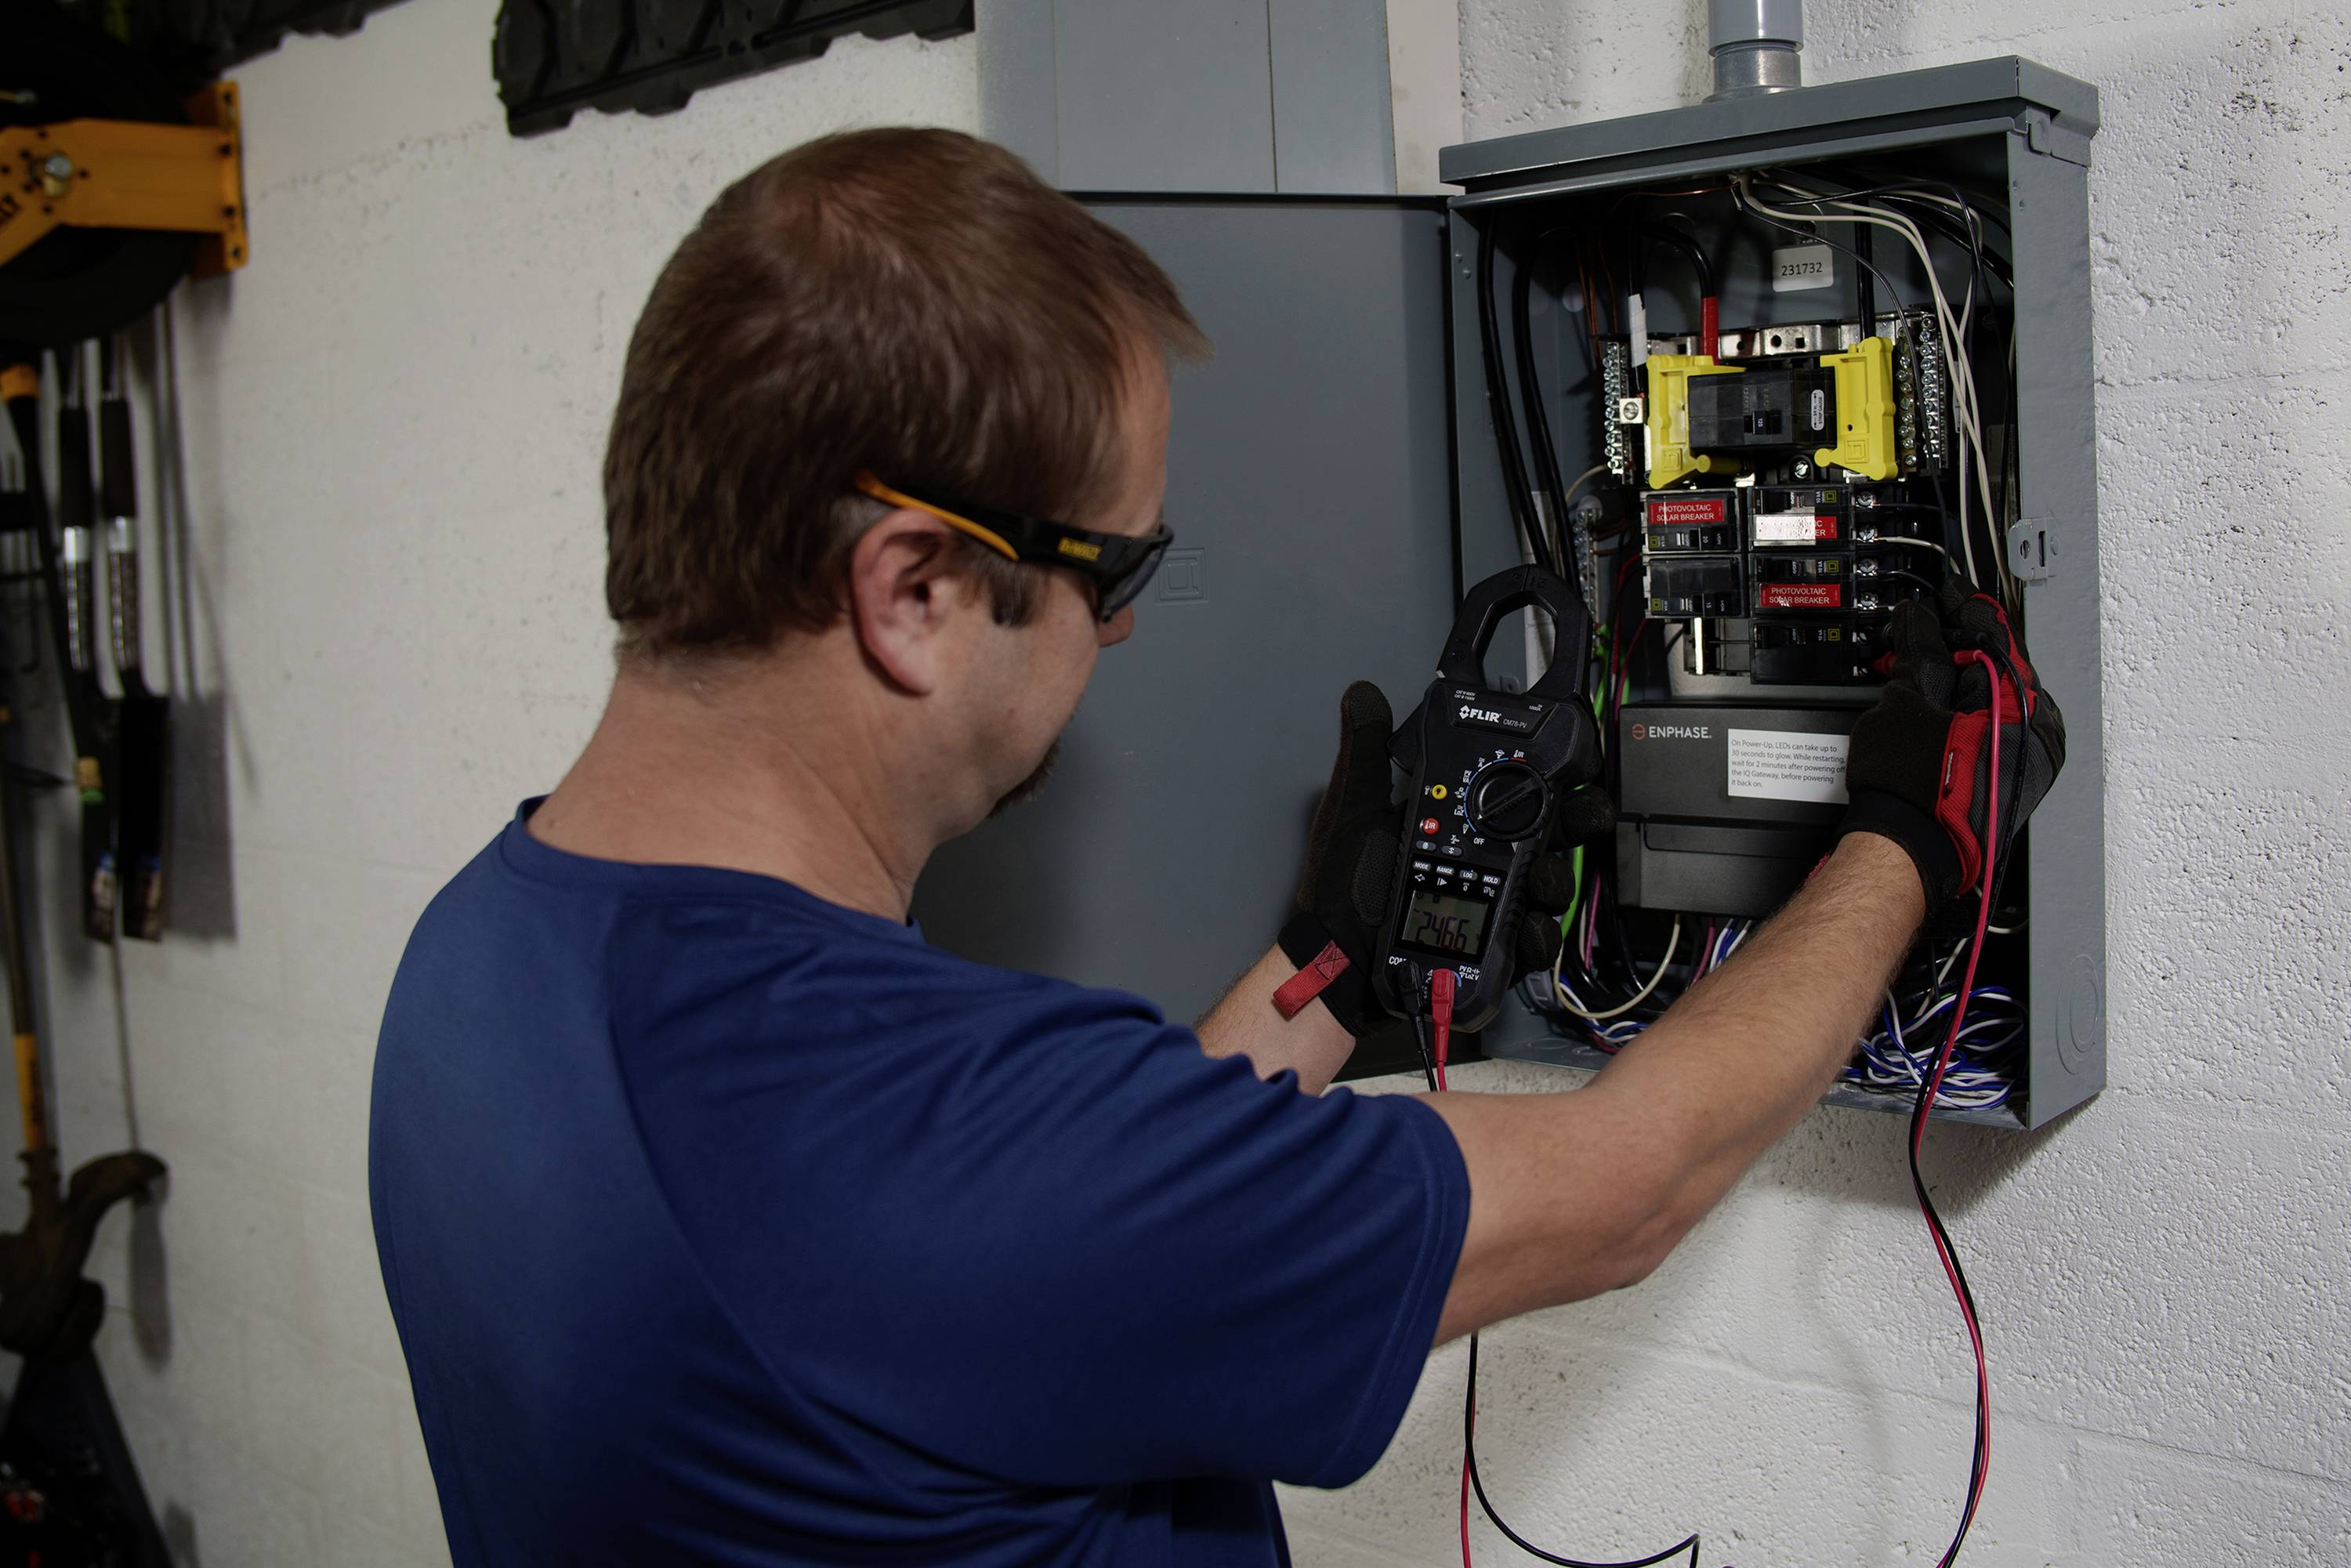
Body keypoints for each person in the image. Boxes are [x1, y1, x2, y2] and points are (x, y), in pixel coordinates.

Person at [369, 127, 2063, 1567]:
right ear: (915, 589)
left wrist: (1337, 962)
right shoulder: (929, 1132)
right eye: (1114, 572)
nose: (1114, 635)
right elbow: (1628, 1186)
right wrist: (1907, 836)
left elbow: (1036, 1252)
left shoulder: (477, 962)